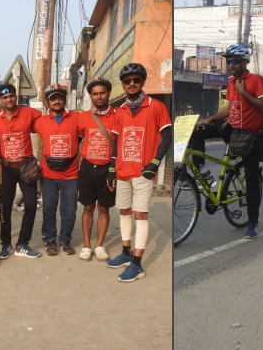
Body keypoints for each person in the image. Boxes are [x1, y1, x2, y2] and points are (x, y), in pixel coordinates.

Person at [191, 45, 263, 238]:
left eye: (234, 60)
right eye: (228, 60)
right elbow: (230, 109)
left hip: (250, 134)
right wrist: (210, 119)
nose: (230, 64)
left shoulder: (255, 80)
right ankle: (201, 172)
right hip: (232, 127)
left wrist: (244, 93)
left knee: (251, 179)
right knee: (197, 132)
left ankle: (253, 223)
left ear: (244, 62)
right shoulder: (232, 81)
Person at [106, 63, 172, 282]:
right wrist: (112, 169)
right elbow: (115, 141)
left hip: (143, 171)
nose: (132, 84)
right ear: (123, 85)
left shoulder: (156, 106)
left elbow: (167, 136)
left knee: (140, 215)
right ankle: (126, 253)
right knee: (124, 211)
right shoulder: (121, 111)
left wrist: (155, 162)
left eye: (136, 80)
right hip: (123, 170)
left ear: (143, 82)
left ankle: (137, 263)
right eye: (127, 81)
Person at [0, 84, 43, 259]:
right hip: (7, 168)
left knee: (32, 204)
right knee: (5, 206)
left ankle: (22, 244)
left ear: (16, 97)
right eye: (4, 98)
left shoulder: (29, 113)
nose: (8, 99)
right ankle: (6, 243)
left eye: (11, 96)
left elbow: (50, 119)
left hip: (26, 167)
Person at [33, 84, 80, 257]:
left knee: (69, 210)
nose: (57, 101)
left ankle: (65, 240)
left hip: (71, 175)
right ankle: (50, 240)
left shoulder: (76, 119)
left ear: (65, 100)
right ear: (47, 102)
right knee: (49, 209)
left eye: (60, 97)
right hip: (48, 175)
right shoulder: (40, 122)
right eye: (53, 98)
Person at [76, 77, 117, 261]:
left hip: (108, 169)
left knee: (104, 208)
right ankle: (86, 245)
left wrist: (115, 170)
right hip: (87, 168)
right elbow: (75, 140)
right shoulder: (83, 118)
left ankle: (99, 245)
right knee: (88, 207)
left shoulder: (118, 116)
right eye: (95, 94)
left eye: (102, 93)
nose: (99, 97)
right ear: (90, 96)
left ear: (108, 93)